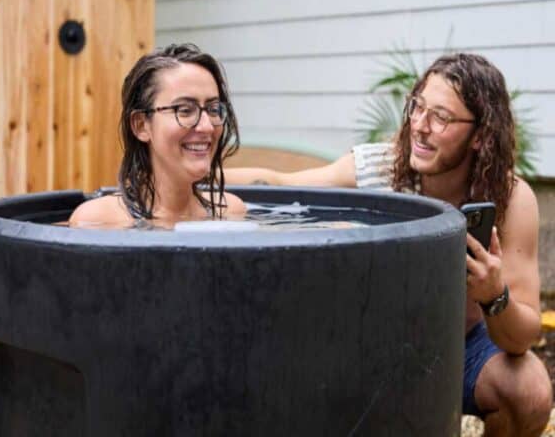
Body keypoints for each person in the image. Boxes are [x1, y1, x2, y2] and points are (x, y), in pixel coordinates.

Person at [226, 53, 553, 435]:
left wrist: (494, 295)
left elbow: (524, 335)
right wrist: (195, 177)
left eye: (441, 117)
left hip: (460, 346)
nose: (420, 126)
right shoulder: (380, 168)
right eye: (417, 107)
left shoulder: (509, 199)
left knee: (528, 391)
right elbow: (280, 185)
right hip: (371, 345)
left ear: (480, 135)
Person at [70, 43, 245, 228]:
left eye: (213, 109)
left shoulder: (230, 212)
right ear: (141, 125)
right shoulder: (98, 221)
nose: (207, 126)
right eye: (185, 110)